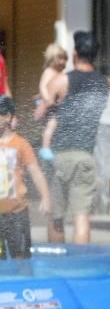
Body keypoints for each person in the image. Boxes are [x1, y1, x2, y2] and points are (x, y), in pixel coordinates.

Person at [38, 31, 110, 245]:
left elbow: (41, 113)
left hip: (58, 155)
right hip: (85, 156)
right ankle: (82, 265)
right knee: (82, 216)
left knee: (56, 215)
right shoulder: (104, 83)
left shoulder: (62, 80)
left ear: (74, 53)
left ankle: (56, 264)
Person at [0, 96, 51, 258]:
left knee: (21, 258)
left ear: (9, 117)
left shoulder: (21, 144)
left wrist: (46, 197)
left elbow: (35, 172)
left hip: (17, 213)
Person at [36, 43, 68, 162]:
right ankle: (45, 148)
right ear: (51, 58)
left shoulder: (58, 73)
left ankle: (50, 145)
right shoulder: (49, 71)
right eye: (60, 58)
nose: (63, 61)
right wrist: (47, 98)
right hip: (46, 102)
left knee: (52, 125)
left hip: (51, 103)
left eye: (65, 58)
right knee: (51, 124)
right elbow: (42, 86)